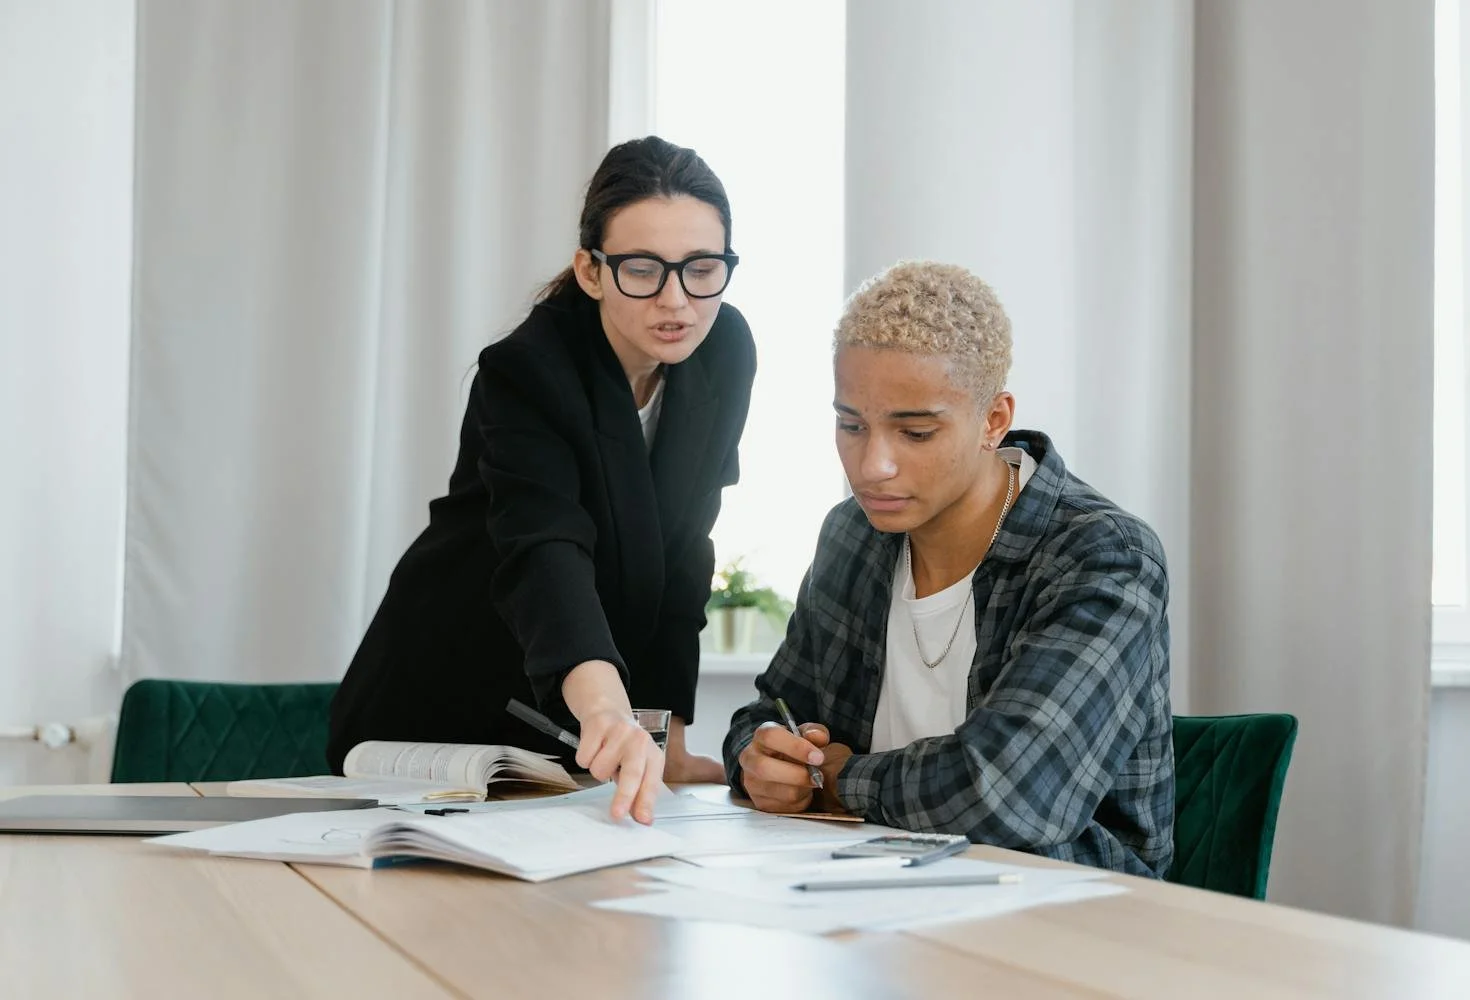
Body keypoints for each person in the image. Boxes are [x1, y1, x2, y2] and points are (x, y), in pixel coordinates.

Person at [329, 136, 755, 825]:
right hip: (444, 699)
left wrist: (665, 736)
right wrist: (610, 712)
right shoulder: (529, 369)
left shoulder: (724, 350)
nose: (677, 300)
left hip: (576, 721)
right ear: (591, 270)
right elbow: (545, 551)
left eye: (702, 268)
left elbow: (684, 549)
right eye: (643, 269)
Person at [723, 261, 1173, 876]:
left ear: (993, 420)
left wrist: (835, 778)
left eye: (914, 432)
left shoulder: (1103, 557)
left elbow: (1007, 796)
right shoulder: (852, 533)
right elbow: (770, 713)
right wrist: (761, 760)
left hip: (1067, 920)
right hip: (869, 895)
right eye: (851, 424)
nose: (872, 464)